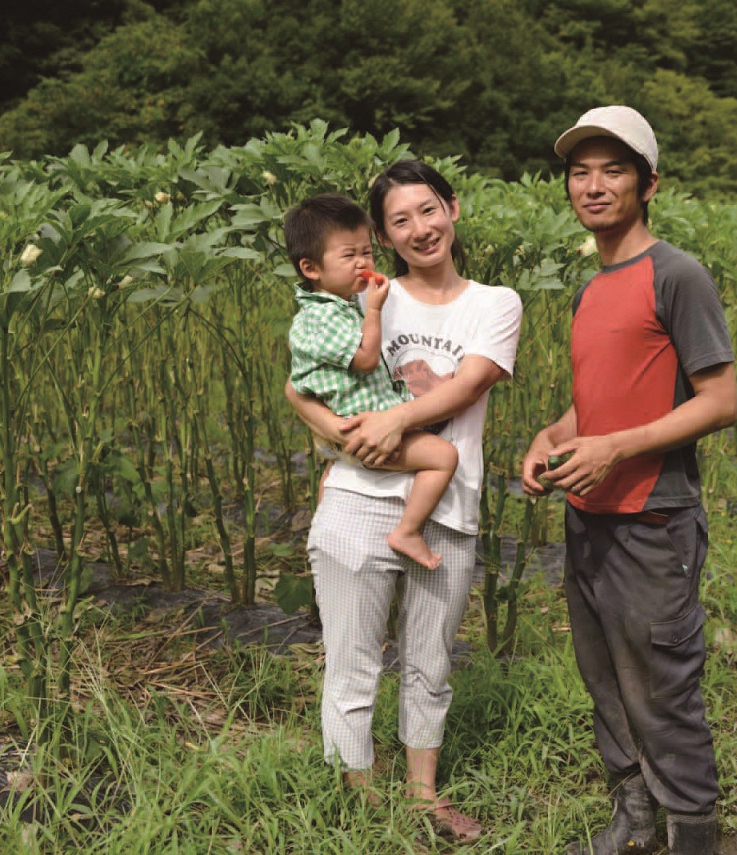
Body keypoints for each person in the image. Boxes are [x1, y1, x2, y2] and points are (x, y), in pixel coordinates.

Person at [521, 106, 737, 855]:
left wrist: (616, 448)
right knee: (606, 680)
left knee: (662, 689)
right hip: (589, 516)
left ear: (650, 184)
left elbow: (719, 399)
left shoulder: (677, 275)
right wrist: (552, 438)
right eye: (580, 171)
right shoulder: (593, 288)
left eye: (613, 169)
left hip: (653, 517)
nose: (594, 184)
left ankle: (693, 835)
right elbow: (598, 397)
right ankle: (634, 819)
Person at [285, 160, 522, 843]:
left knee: (431, 664)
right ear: (382, 237)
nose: (420, 228)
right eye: (399, 220)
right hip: (358, 500)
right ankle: (358, 805)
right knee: (351, 664)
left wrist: (390, 422)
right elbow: (298, 385)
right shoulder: (359, 293)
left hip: (445, 505)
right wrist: (337, 434)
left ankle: (424, 798)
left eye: (428, 210)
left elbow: (468, 384)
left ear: (454, 208)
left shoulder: (494, 302)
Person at [285, 193, 458, 570]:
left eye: (367, 252)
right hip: (363, 427)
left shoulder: (338, 306)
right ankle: (408, 531)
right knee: (443, 456)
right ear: (311, 268)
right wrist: (375, 309)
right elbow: (364, 359)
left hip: (357, 425)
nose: (363, 263)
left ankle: (327, 521)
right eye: (349, 256)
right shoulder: (322, 317)